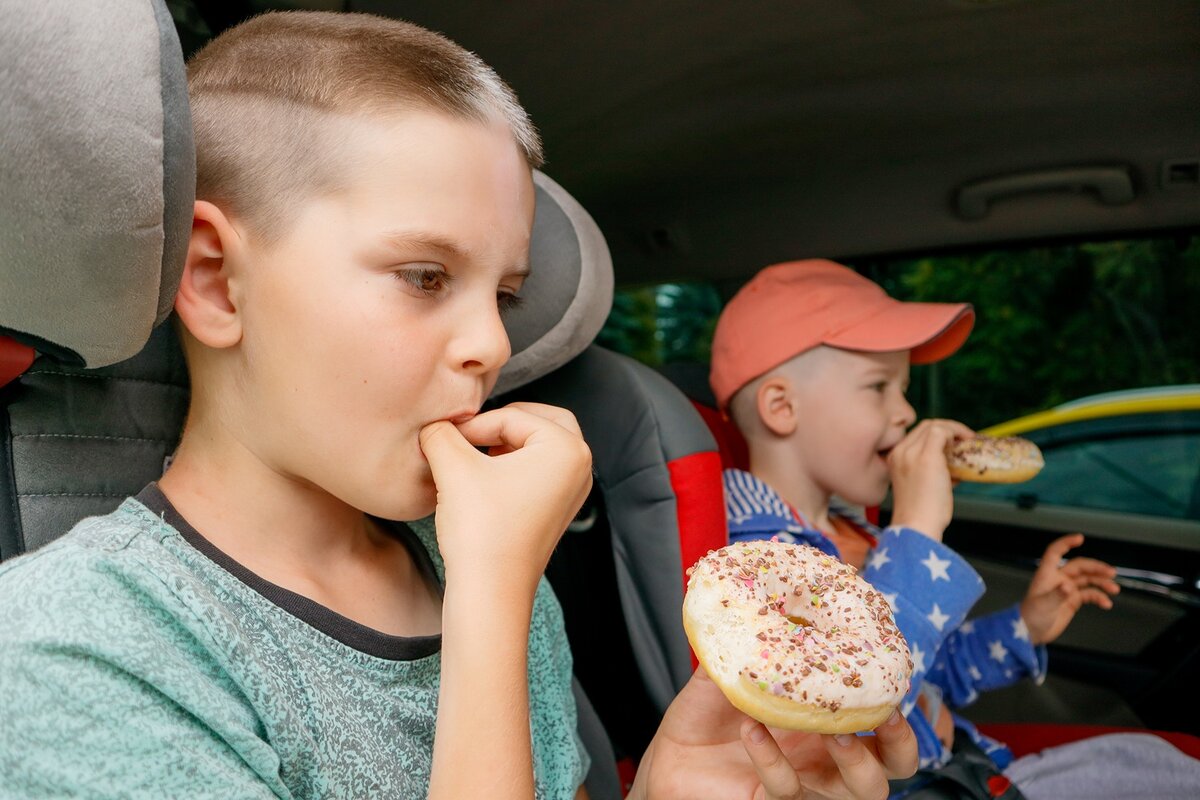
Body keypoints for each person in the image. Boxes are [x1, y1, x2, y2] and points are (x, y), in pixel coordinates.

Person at [0, 14, 917, 799]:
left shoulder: (474, 558)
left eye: (504, 294)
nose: (494, 345)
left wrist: (666, 786)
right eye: (424, 276)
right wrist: (492, 597)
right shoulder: (71, 647)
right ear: (218, 282)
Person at [708, 259, 1200, 799]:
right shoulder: (755, 562)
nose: (907, 413)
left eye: (905, 388)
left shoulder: (861, 536)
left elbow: (932, 674)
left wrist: (1024, 628)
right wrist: (917, 527)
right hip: (902, 789)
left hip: (964, 767)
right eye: (879, 388)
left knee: (1147, 761)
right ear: (782, 406)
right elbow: (851, 703)